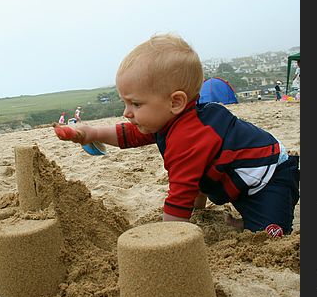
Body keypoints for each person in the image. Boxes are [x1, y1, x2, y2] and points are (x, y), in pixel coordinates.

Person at [54, 34, 299, 237]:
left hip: (269, 178)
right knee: (205, 170)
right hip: (239, 178)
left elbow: (179, 196)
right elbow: (130, 135)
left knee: (270, 235)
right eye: (125, 103)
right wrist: (91, 133)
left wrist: (169, 238)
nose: (126, 112)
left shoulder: (188, 138)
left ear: (176, 102)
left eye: (136, 104)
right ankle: (242, 220)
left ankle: (252, 226)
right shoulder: (174, 120)